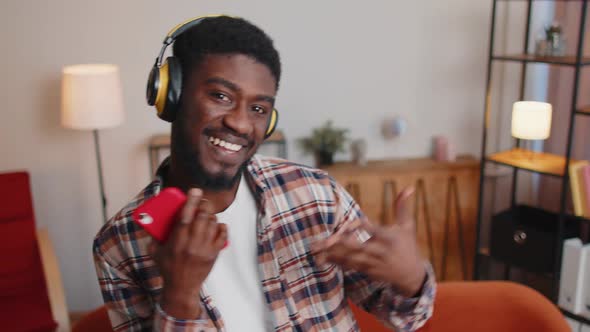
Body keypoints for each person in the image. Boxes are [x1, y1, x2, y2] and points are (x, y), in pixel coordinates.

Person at [93, 15, 435, 332]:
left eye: (258, 109)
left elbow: (406, 316)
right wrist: (180, 297)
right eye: (221, 96)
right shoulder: (120, 245)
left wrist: (410, 278)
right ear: (172, 94)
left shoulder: (315, 194)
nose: (240, 123)